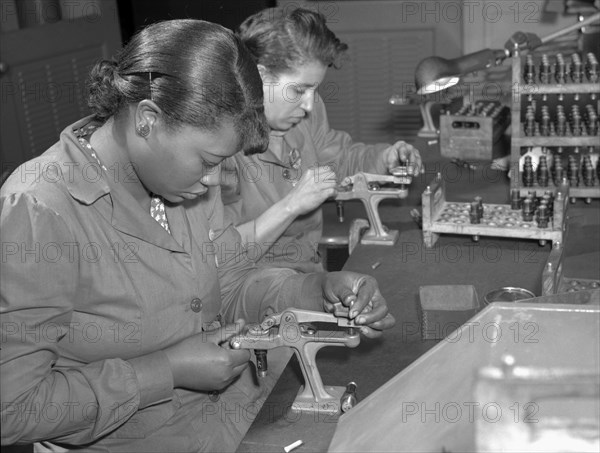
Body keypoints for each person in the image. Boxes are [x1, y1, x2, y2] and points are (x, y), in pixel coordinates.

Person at [0, 20, 394, 452]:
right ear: (148, 119)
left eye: (221, 163)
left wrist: (314, 290)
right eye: (206, 160)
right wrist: (164, 371)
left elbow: (226, 284)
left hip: (232, 423)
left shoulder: (181, 182)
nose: (213, 182)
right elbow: (13, 409)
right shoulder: (40, 211)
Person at [220, 7, 423, 273]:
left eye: (314, 89)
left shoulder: (308, 112)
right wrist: (291, 206)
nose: (308, 104)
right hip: (248, 288)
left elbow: (338, 160)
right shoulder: (219, 145)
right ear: (260, 77)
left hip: (308, 271)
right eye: (298, 90)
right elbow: (220, 254)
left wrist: (386, 158)